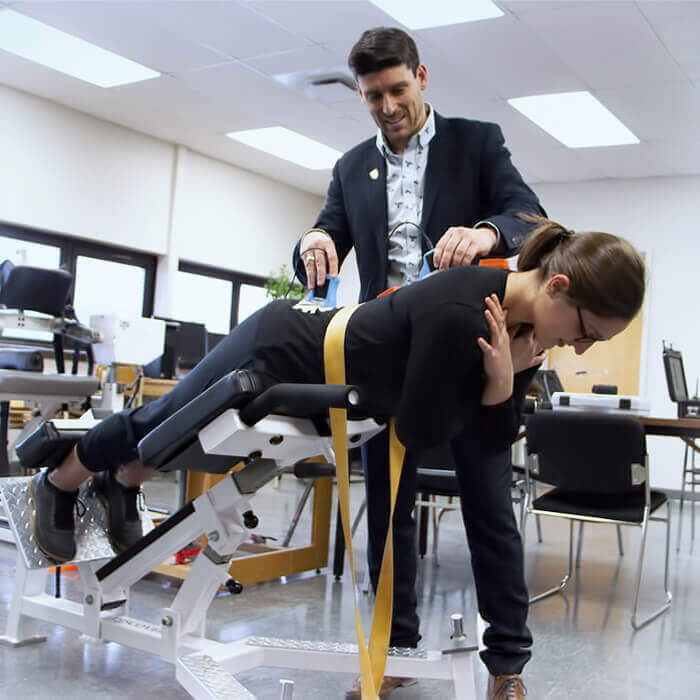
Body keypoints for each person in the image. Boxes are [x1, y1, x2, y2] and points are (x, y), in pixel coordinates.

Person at [30, 218, 644, 699]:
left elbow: (487, 428)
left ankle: (120, 481)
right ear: (558, 286)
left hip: (350, 384)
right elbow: (424, 431)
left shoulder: (526, 330)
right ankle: (62, 478)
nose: (583, 346)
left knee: (163, 441)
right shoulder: (465, 309)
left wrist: (502, 384)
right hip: (283, 345)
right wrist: (498, 385)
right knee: (160, 424)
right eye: (588, 330)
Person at [292, 26, 545, 700]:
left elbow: (531, 218)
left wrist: (489, 231)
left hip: (476, 352)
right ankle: (396, 645)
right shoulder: (352, 168)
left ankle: (508, 666)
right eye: (373, 95)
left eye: (397, 89)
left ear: (422, 77)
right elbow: (326, 236)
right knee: (389, 510)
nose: (387, 105)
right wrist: (315, 238)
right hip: (389, 363)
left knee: (490, 506)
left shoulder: (477, 142)